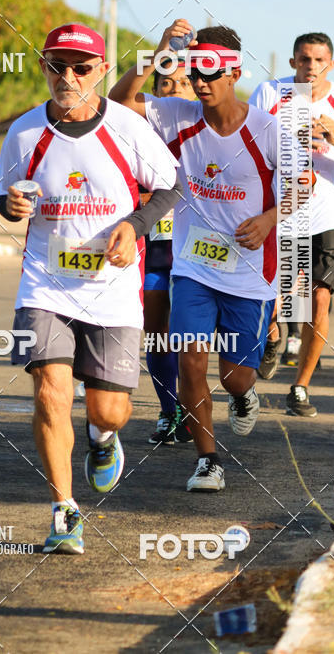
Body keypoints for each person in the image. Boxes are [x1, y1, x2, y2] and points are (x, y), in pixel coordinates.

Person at [0, 22, 181, 553]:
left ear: (101, 70)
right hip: (44, 285)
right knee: (51, 393)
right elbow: (3, 196)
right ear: (43, 67)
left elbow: (170, 187)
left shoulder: (127, 127)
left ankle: (103, 440)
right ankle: (64, 514)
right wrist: (11, 206)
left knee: (107, 410)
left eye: (80, 67)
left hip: (114, 289)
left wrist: (134, 226)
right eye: (57, 65)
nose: (67, 77)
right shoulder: (25, 132)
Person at [110, 19, 312, 492]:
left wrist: (268, 219)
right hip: (193, 267)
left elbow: (304, 183)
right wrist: (158, 50)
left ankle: (244, 396)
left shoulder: (268, 130)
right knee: (191, 363)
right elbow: (119, 105)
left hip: (248, 272)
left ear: (233, 73)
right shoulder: (178, 116)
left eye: (208, 72)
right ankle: (208, 460)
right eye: (192, 72)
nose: (199, 82)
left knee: (236, 377)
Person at [250, 32, 334, 416]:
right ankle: (273, 336)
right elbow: (246, 148)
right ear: (292, 62)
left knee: (319, 299)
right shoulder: (269, 94)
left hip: (325, 214)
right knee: (271, 300)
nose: (311, 67)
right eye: (304, 60)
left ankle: (301, 386)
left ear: (331, 64)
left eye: (319, 61)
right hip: (276, 211)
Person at [142, 58, 196, 445]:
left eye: (182, 83)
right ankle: (169, 410)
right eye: (165, 83)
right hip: (155, 245)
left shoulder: (208, 128)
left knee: (193, 337)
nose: (174, 89)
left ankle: (195, 405)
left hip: (200, 248)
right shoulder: (137, 131)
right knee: (157, 332)